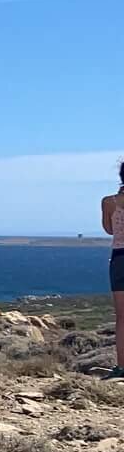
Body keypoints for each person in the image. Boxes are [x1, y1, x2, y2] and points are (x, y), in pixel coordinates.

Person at [107, 162, 124, 378]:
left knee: (122, 317)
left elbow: (109, 229)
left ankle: (121, 366)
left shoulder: (109, 202)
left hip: (119, 257)